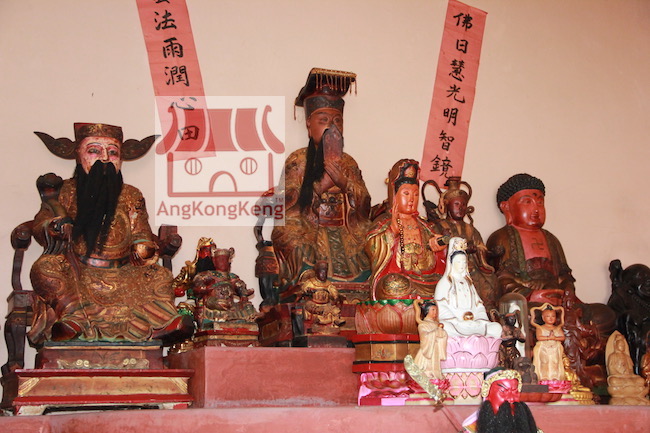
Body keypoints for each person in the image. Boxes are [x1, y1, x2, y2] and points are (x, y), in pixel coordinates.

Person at [28, 123, 192, 345]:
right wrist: (54, 227)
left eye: (113, 152)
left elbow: (141, 232)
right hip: (79, 270)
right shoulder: (64, 192)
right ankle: (74, 319)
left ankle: (160, 325)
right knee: (45, 268)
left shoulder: (131, 194)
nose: (104, 158)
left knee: (160, 275)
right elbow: (41, 224)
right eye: (94, 151)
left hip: (123, 272)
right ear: (79, 155)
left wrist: (142, 247)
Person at [271, 68, 372, 290]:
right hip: (309, 227)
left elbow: (365, 205)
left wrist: (345, 184)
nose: (332, 126)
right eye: (323, 120)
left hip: (347, 230)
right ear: (309, 124)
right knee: (290, 235)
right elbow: (285, 204)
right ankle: (309, 280)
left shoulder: (349, 162)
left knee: (375, 239)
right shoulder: (298, 159)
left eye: (338, 120)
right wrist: (321, 186)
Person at [365, 159, 446, 300]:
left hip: (427, 279)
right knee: (392, 285)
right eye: (406, 194)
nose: (412, 199)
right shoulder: (384, 221)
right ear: (394, 196)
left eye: (415, 194)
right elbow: (370, 245)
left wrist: (441, 245)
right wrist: (391, 232)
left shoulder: (424, 224)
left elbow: (439, 244)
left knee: (448, 286)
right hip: (401, 279)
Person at [430, 177, 499, 311]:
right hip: (448, 268)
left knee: (490, 281)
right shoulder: (439, 226)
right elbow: (435, 248)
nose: (461, 208)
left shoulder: (471, 229)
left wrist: (480, 250)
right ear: (447, 205)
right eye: (456, 204)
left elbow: (481, 246)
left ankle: (486, 311)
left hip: (471, 267)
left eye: (463, 205)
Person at [435, 237, 502, 338]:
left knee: (496, 328)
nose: (462, 265)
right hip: (455, 324)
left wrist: (478, 319)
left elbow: (479, 305)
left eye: (464, 262)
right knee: (444, 327)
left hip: (474, 323)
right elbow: (441, 306)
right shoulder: (445, 283)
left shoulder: (469, 283)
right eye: (458, 262)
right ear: (451, 262)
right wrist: (457, 321)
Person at [462, 369, 542, 433]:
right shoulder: (471, 430)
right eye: (503, 392)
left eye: (515, 391)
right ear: (487, 394)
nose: (511, 399)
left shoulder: (530, 429)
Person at [296, 261, 345, 333]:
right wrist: (308, 290)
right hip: (314, 303)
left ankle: (336, 320)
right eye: (321, 272)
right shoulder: (310, 282)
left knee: (335, 309)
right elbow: (304, 289)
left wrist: (335, 296)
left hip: (326, 304)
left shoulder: (328, 284)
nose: (323, 274)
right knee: (310, 306)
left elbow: (333, 291)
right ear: (316, 272)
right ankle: (318, 318)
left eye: (325, 272)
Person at [412, 299, 447, 380]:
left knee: (435, 365)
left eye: (436, 310)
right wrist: (436, 332)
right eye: (433, 310)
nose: (435, 312)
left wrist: (442, 332)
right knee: (427, 367)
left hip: (436, 348)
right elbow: (424, 336)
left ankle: (436, 375)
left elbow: (442, 335)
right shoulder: (423, 324)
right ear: (427, 311)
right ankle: (427, 374)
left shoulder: (436, 324)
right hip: (428, 349)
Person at [530, 303, 566, 381]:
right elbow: (539, 337)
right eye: (548, 316)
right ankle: (544, 376)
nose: (551, 318)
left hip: (555, 348)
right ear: (543, 318)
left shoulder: (557, 328)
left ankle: (554, 377)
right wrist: (548, 338)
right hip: (544, 348)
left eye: (553, 316)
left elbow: (563, 337)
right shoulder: (540, 328)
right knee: (544, 362)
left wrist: (555, 338)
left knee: (555, 362)